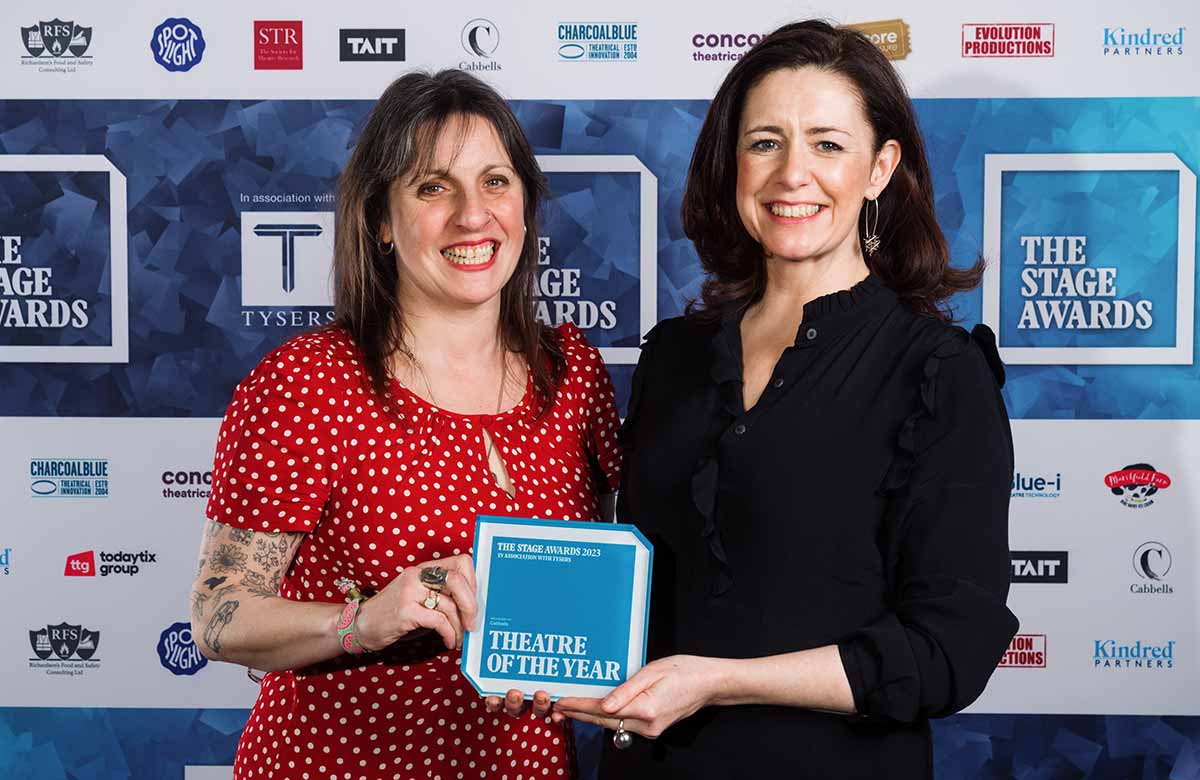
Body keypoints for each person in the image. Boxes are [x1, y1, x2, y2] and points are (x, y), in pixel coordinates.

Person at [554, 20, 1019, 779]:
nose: (792, 174)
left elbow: (949, 651)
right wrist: (529, 643)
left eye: (828, 144)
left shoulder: (938, 372)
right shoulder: (675, 356)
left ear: (880, 167)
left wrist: (720, 681)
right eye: (766, 142)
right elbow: (640, 595)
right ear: (731, 161)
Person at [190, 69, 621, 780]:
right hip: (339, 765)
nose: (472, 215)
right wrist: (360, 621)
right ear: (381, 221)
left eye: (495, 182)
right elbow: (216, 615)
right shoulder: (310, 383)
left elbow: (599, 580)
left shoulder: (572, 373)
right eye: (432, 187)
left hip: (525, 765)